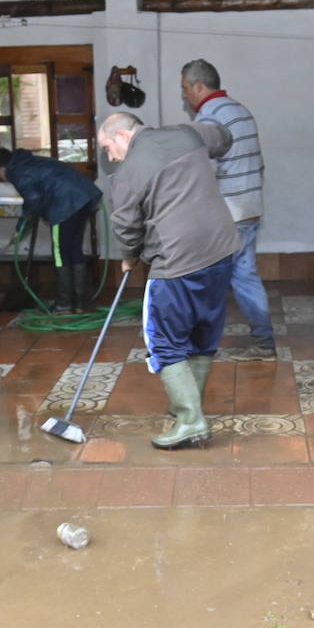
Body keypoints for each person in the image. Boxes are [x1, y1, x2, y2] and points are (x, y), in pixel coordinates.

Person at [97, 112, 238, 450]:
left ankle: (190, 421)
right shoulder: (187, 134)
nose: (110, 158)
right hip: (221, 250)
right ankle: (186, 406)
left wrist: (129, 256)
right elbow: (224, 137)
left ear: (120, 136)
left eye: (108, 149)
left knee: (163, 339)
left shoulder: (128, 172)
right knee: (204, 331)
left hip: (178, 260)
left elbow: (126, 226)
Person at [180, 58, 277, 360]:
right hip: (249, 208)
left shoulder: (209, 118)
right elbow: (257, 162)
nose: (184, 95)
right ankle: (264, 342)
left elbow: (203, 171)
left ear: (199, 86)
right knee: (244, 274)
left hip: (226, 213)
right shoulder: (240, 110)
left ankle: (199, 345)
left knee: (205, 276)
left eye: (185, 88)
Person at [0, 147, 102, 313]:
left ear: (1, 169)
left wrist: (20, 228)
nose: (3, 178)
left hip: (66, 204)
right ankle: (80, 303)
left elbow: (33, 199)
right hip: (82, 198)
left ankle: (64, 303)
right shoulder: (29, 162)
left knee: (60, 252)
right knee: (72, 250)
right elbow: (41, 192)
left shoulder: (16, 171)